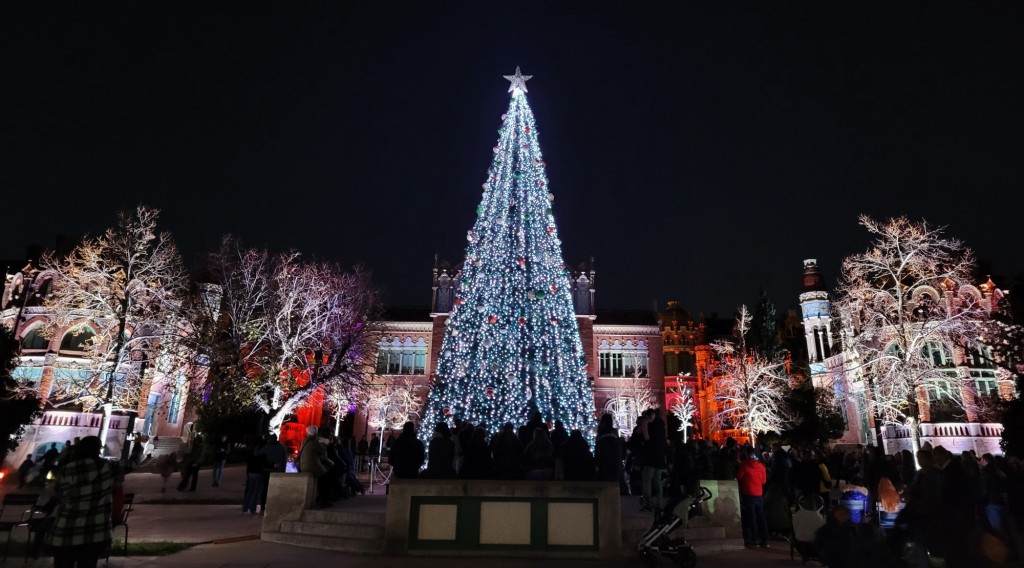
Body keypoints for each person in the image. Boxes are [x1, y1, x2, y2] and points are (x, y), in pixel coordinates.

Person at [50, 436, 123, 568]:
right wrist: (137, 445)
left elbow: (57, 495)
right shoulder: (108, 468)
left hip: (66, 529)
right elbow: (131, 466)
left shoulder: (66, 470)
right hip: (96, 531)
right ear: (98, 449)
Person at [736, 446, 769, 548]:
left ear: (746, 454)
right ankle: (765, 539)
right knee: (761, 517)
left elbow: (738, 477)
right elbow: (764, 481)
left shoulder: (745, 465)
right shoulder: (761, 466)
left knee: (751, 517)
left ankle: (754, 540)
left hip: (748, 493)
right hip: (759, 494)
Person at [298, 426, 334, 508]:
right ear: (315, 433)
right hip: (311, 466)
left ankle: (322, 498)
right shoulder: (314, 442)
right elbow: (323, 453)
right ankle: (324, 500)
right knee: (325, 477)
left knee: (324, 473)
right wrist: (325, 443)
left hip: (303, 465)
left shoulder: (305, 441)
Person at [640, 408, 667, 513]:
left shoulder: (648, 423)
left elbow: (646, 438)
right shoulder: (662, 425)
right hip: (659, 458)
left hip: (650, 457)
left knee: (647, 482)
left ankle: (647, 505)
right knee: (658, 482)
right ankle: (659, 504)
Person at [594, 413, 623, 484]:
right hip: (615, 461)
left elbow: (598, 451)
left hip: (604, 462)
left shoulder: (600, 432)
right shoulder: (614, 433)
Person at [243, 435, 268, 514]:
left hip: (251, 472)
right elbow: (264, 462)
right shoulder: (263, 451)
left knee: (250, 490)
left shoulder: (252, 449)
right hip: (259, 472)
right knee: (256, 491)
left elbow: (249, 462)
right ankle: (252, 508)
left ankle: (245, 507)